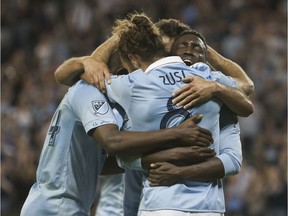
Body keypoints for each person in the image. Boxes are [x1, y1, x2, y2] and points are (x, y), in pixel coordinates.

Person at [20, 48, 215, 216]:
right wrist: (177, 134)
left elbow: (100, 164)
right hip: (56, 207)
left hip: (58, 205)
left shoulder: (107, 107)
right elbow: (112, 142)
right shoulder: (88, 90)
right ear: (123, 69)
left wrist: (170, 154)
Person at [101, 13, 245, 216]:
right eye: (181, 48)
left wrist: (122, 36)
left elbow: (233, 160)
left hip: (159, 205)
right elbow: (246, 87)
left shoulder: (134, 87)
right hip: (198, 207)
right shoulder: (215, 85)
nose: (189, 53)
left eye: (196, 49)